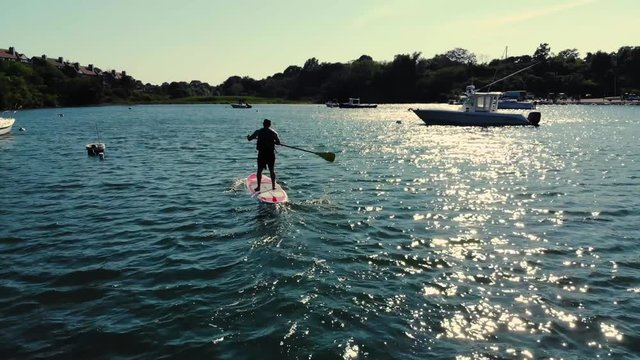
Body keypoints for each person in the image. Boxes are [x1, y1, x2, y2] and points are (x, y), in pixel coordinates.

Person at [247, 119, 281, 192]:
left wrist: (248, 137)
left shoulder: (258, 132)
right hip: (270, 154)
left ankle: (258, 187)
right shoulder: (273, 133)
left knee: (259, 170)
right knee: (272, 170)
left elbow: (249, 139)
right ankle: (273, 186)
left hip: (262, 154)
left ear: (263, 124)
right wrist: (273, 141)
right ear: (270, 125)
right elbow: (278, 142)